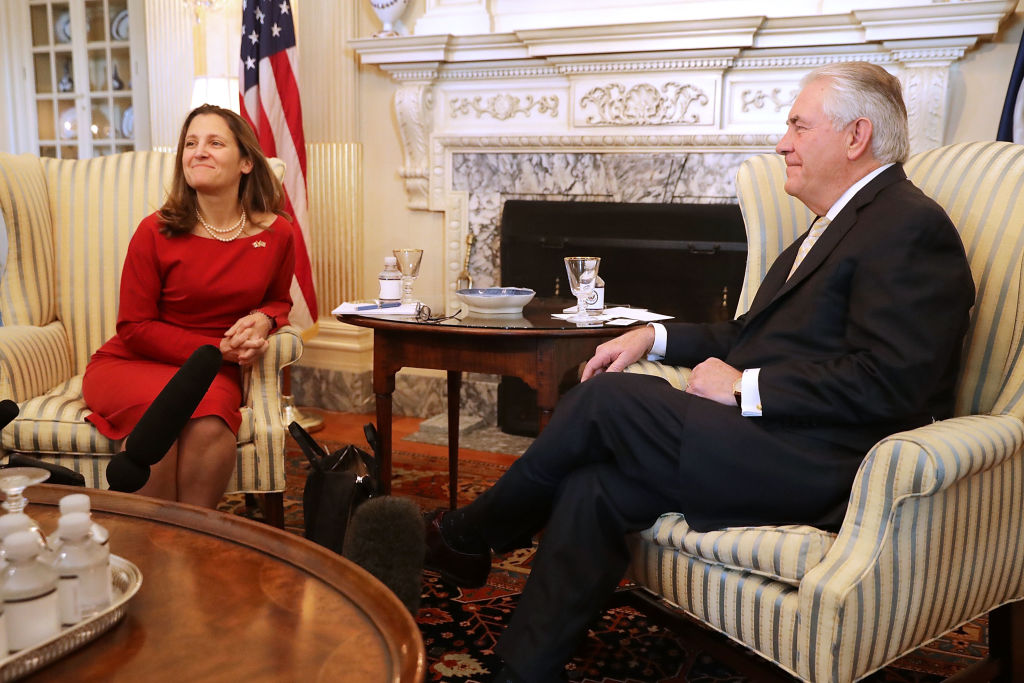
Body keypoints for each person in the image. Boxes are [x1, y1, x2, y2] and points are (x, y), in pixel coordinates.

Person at [423, 62, 976, 682]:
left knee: (606, 402)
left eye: (798, 124)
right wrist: (650, 337)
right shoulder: (831, 227)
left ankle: (468, 534)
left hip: (827, 464)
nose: (781, 142)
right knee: (595, 486)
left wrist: (747, 386)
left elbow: (891, 380)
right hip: (773, 442)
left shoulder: (909, 225)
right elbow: (747, 335)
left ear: (856, 136)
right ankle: (522, 671)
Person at [82, 104, 295, 508]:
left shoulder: (278, 233)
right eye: (191, 143)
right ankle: (155, 549)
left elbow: (278, 298)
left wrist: (264, 320)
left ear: (246, 161)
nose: (199, 151)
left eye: (215, 143)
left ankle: (195, 546)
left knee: (212, 421)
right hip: (134, 363)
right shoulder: (155, 230)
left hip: (212, 370)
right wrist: (216, 352)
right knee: (159, 425)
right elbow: (133, 326)